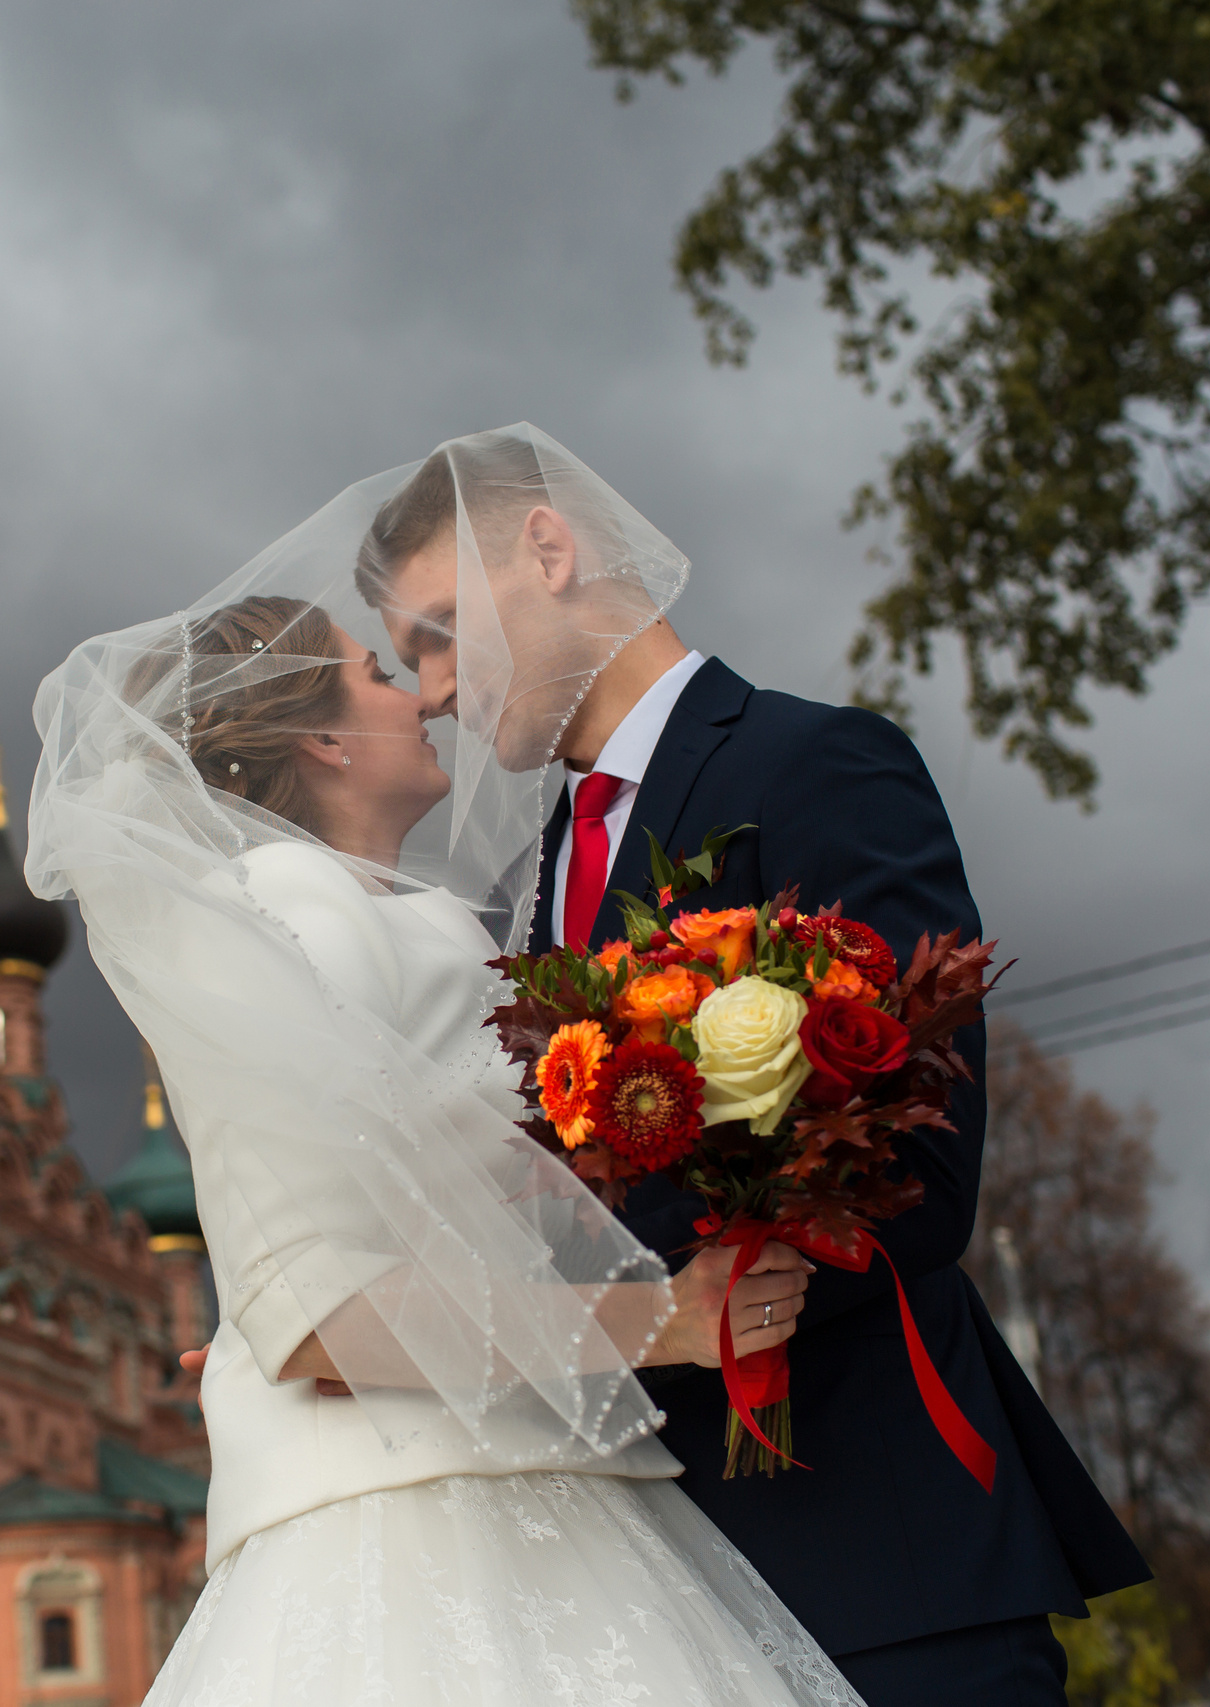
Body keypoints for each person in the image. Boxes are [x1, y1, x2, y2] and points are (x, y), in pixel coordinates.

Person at [353, 425, 1152, 1706]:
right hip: (651, 1603)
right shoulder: (520, 893)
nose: (435, 688)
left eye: (439, 632)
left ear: (548, 550)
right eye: (409, 662)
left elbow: (921, 1158)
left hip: (877, 1550)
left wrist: (692, 1313)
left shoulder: (810, 764)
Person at [27, 490, 859, 1698]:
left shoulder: (405, 922)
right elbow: (313, 1310)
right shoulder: (276, 918)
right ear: (320, 742)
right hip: (409, 1521)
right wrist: (662, 1321)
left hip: (520, 1471)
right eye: (377, 668)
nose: (421, 695)